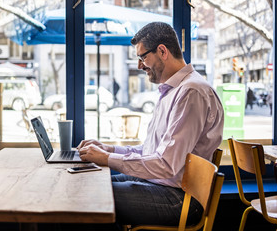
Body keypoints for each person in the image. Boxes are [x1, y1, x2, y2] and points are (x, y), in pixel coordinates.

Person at [77, 22, 224, 227]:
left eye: (143, 57)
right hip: (163, 186)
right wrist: (109, 149)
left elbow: (166, 165)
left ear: (162, 51)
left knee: (89, 197)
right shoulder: (173, 90)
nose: (140, 66)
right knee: (87, 185)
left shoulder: (191, 93)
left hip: (181, 199)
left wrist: (108, 158)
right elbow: (151, 151)